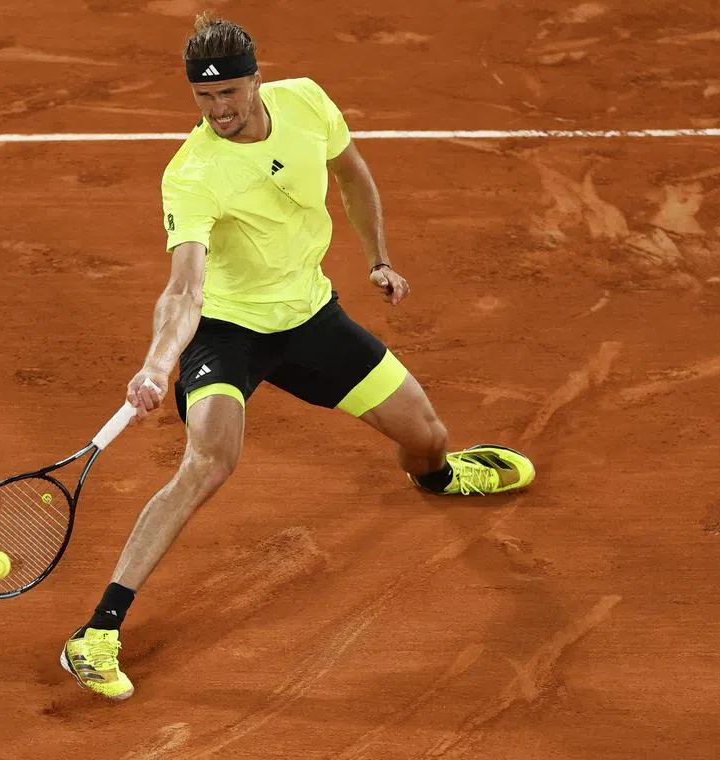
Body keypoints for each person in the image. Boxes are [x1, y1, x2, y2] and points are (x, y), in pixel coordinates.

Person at [60, 14, 535, 701]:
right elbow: (185, 288)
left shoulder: (307, 101)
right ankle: (97, 632)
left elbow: (353, 175)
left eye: (230, 94)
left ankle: (437, 480)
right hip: (226, 331)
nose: (219, 111)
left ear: (259, 79)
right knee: (208, 461)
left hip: (311, 317)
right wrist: (158, 366)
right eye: (204, 98)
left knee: (427, 438)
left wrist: (378, 260)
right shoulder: (192, 175)